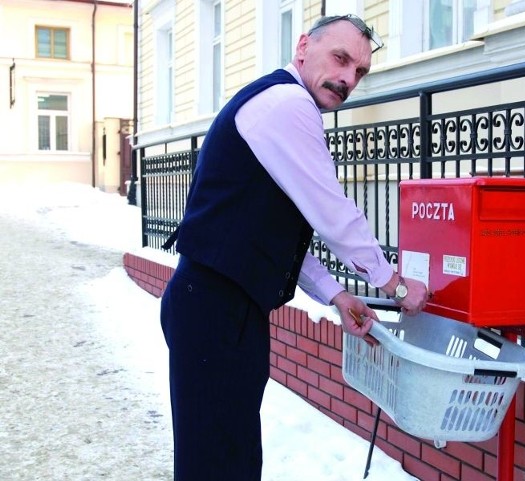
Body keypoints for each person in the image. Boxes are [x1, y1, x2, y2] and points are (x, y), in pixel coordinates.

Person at [160, 14, 430, 480]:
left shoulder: (279, 102)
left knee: (234, 460)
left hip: (222, 310)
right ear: (304, 47)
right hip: (215, 311)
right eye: (341, 59)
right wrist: (395, 286)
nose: (348, 78)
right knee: (216, 465)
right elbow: (333, 212)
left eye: (359, 72)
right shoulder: (287, 104)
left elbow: (270, 233)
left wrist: (336, 294)